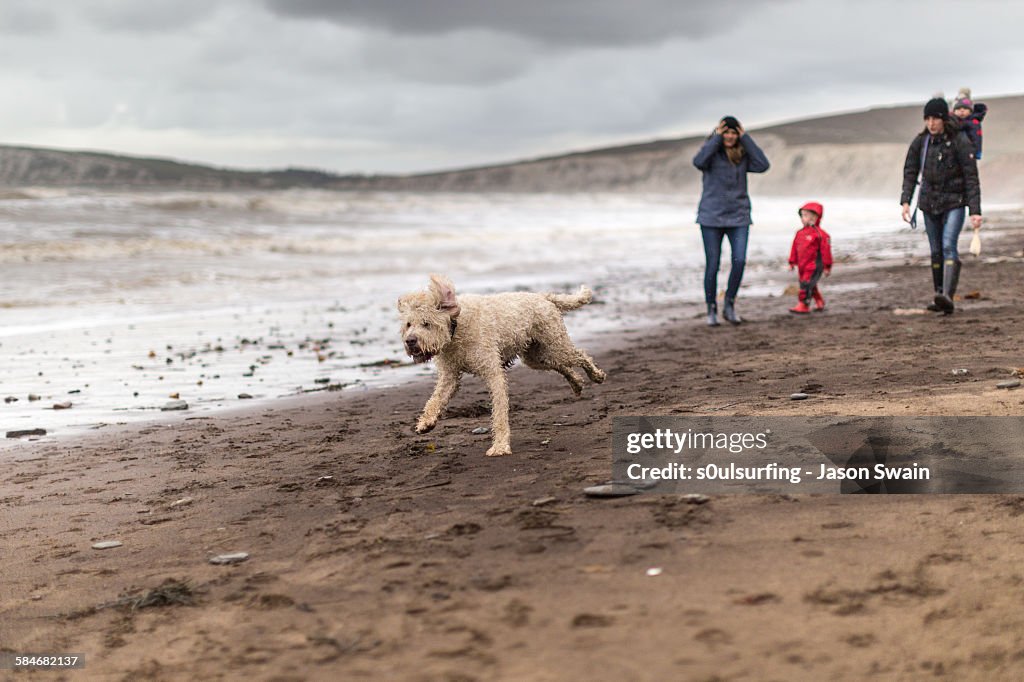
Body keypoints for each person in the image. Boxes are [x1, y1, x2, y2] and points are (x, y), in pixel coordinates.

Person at [900, 97, 982, 315]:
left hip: (954, 202)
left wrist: (975, 211)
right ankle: (939, 295)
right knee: (935, 251)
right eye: (927, 118)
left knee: (948, 246)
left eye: (935, 118)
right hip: (928, 203)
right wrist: (905, 201)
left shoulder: (960, 141)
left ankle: (947, 295)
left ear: (944, 118)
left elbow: (971, 177)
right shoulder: (921, 142)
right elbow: (910, 171)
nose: (931, 123)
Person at [692, 116, 770, 326]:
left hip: (739, 216)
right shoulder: (710, 155)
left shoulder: (742, 156)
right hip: (711, 217)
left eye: (734, 133)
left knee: (739, 260)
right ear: (719, 133)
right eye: (726, 132)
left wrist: (746, 138)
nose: (730, 136)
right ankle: (711, 308)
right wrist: (716, 138)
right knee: (713, 265)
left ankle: (729, 303)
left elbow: (763, 165)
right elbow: (698, 162)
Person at [788, 201, 833, 314]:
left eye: (806, 215)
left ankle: (804, 304)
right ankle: (819, 301)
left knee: (806, 283)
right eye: (802, 215)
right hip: (802, 265)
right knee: (809, 284)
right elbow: (794, 248)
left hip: (814, 265)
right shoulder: (799, 233)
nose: (802, 218)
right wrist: (792, 262)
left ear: (815, 217)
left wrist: (827, 266)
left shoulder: (821, 234)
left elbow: (826, 251)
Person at [951, 88, 986, 160]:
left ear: (970, 111)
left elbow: (976, 139)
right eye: (958, 109)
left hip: (969, 153)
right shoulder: (957, 121)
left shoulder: (971, 123)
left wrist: (976, 152)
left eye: (965, 108)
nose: (962, 110)